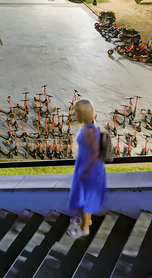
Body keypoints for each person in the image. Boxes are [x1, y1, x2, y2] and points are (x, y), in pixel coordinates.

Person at [67, 99, 107, 238]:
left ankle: (84, 228)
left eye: (77, 112)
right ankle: (84, 221)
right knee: (82, 197)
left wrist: (86, 171)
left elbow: (94, 153)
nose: (75, 115)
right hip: (85, 167)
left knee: (86, 200)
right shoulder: (88, 125)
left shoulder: (90, 131)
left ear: (83, 113)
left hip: (90, 170)